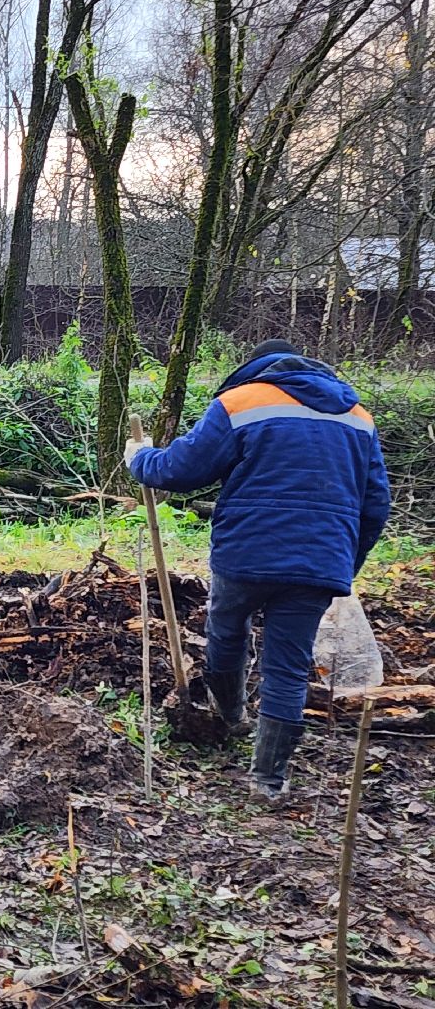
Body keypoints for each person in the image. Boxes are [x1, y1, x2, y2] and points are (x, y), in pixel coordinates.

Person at [126, 338, 390, 801]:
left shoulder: (242, 401)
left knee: (227, 631)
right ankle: (268, 780)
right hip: (320, 560)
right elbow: (376, 506)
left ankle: (231, 717)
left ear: (258, 368)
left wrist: (139, 458)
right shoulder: (357, 416)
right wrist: (346, 563)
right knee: (288, 666)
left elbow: (181, 469)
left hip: (246, 553)